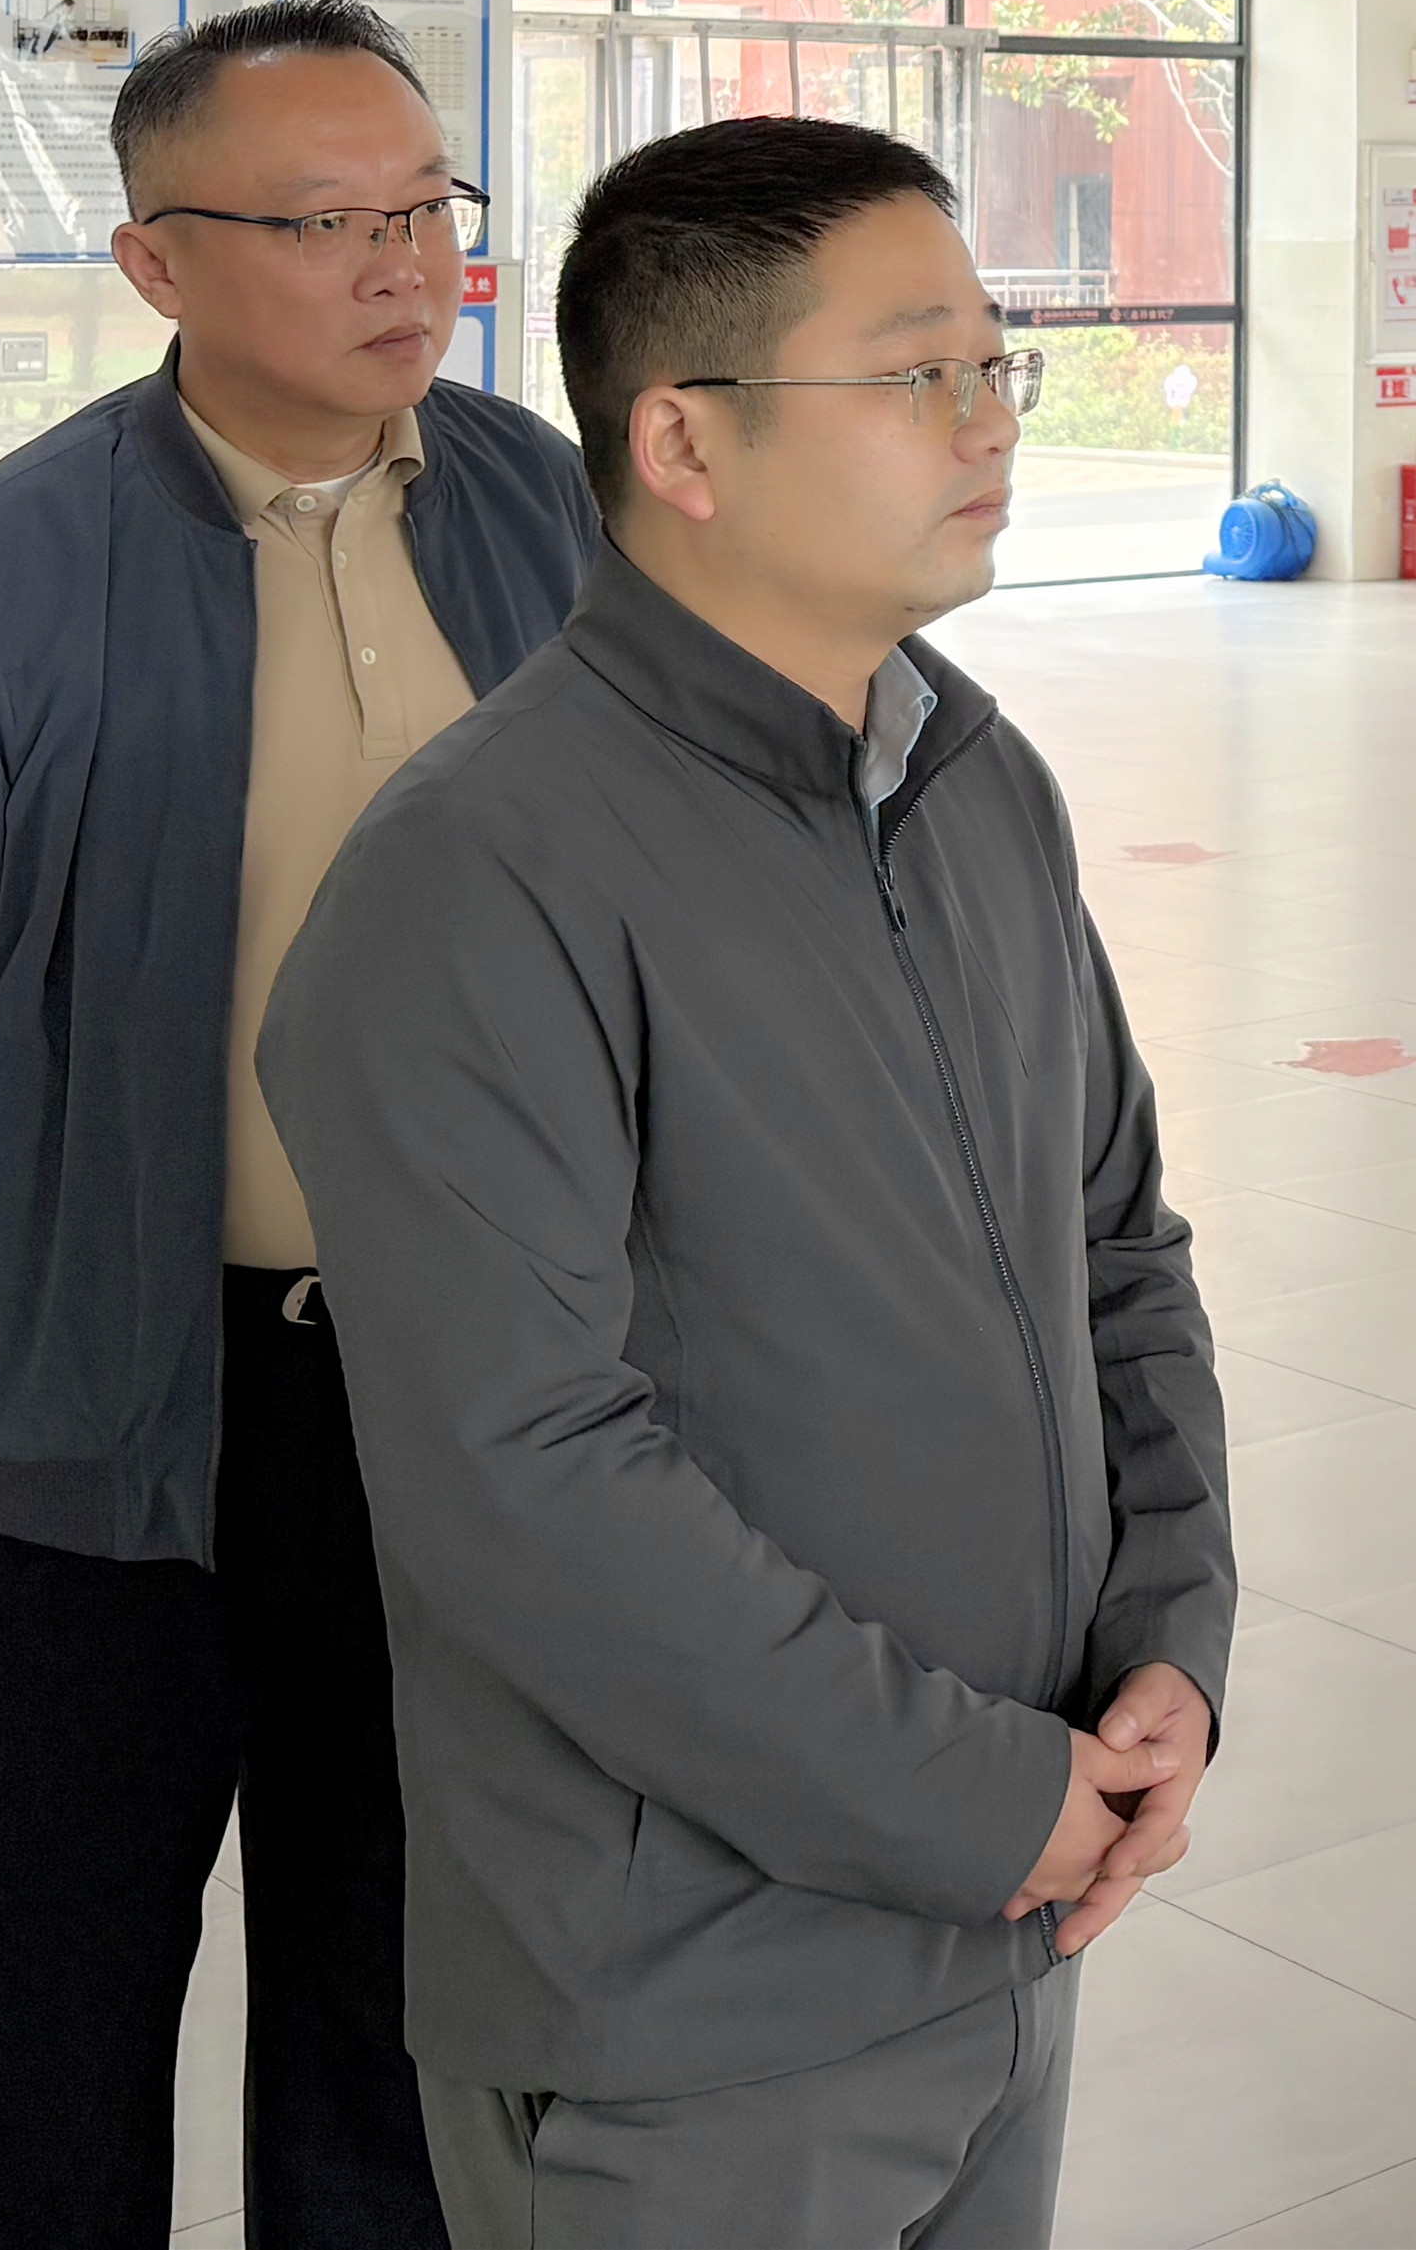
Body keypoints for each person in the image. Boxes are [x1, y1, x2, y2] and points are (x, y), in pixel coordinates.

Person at [259, 115, 1231, 2250]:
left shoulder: (975, 781)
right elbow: (523, 1475)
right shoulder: (480, 875)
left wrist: (1169, 1638)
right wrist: (974, 1795)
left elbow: (1115, 1249)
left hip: (1011, 1922)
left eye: (995, 365)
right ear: (683, 440)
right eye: (914, 374)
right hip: (691, 2009)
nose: (988, 422)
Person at [0, 0, 596, 2245]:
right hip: (88, 1420)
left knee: (411, 2031)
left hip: (472, 1406)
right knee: (30, 2051)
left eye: (427, 209)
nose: (403, 265)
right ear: (158, 262)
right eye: (324, 222)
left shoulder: (555, 515)